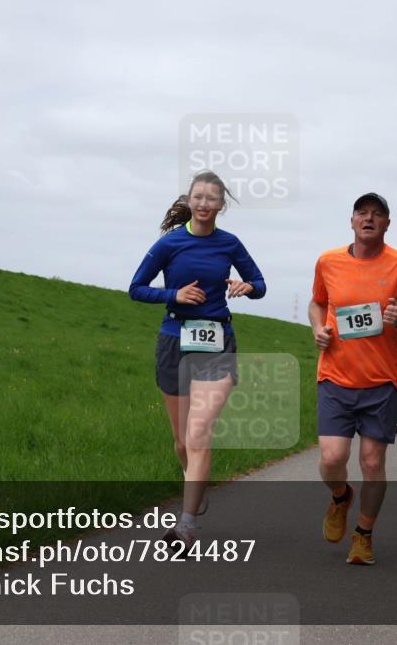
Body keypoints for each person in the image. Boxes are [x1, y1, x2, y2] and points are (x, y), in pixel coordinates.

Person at [129, 171, 266, 548]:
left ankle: (186, 526)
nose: (205, 204)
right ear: (189, 201)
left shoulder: (230, 244)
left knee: (199, 433)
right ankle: (195, 484)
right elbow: (136, 289)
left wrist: (246, 286)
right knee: (181, 441)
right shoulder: (169, 244)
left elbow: (260, 284)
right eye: (199, 197)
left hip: (217, 341)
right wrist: (173, 295)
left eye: (212, 198)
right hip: (175, 339)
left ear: (222, 205)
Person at [309, 192, 397, 565]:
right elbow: (318, 302)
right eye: (362, 212)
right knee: (331, 459)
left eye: (377, 214)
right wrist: (318, 328)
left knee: (373, 463)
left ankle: (363, 533)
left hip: (380, 382)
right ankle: (341, 496)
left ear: (387, 224)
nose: (369, 219)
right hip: (335, 376)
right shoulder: (328, 261)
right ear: (351, 221)